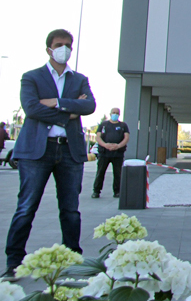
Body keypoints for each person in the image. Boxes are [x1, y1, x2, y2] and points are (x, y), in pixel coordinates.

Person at [3, 29, 96, 281]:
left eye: (68, 45)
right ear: (49, 49)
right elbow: (31, 108)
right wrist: (69, 111)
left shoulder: (79, 79)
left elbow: (89, 106)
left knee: (70, 210)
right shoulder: (31, 77)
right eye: (59, 45)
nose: (63, 49)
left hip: (69, 150)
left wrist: (54, 101)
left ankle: (73, 259)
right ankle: (14, 262)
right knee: (26, 207)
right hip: (37, 151)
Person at [91, 108, 129, 198]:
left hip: (118, 154)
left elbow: (126, 137)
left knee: (118, 173)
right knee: (100, 172)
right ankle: (96, 191)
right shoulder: (104, 124)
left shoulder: (123, 125)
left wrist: (118, 146)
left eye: (117, 113)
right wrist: (105, 145)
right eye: (113, 113)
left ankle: (117, 191)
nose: (115, 114)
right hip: (104, 153)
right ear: (110, 113)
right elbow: (98, 137)